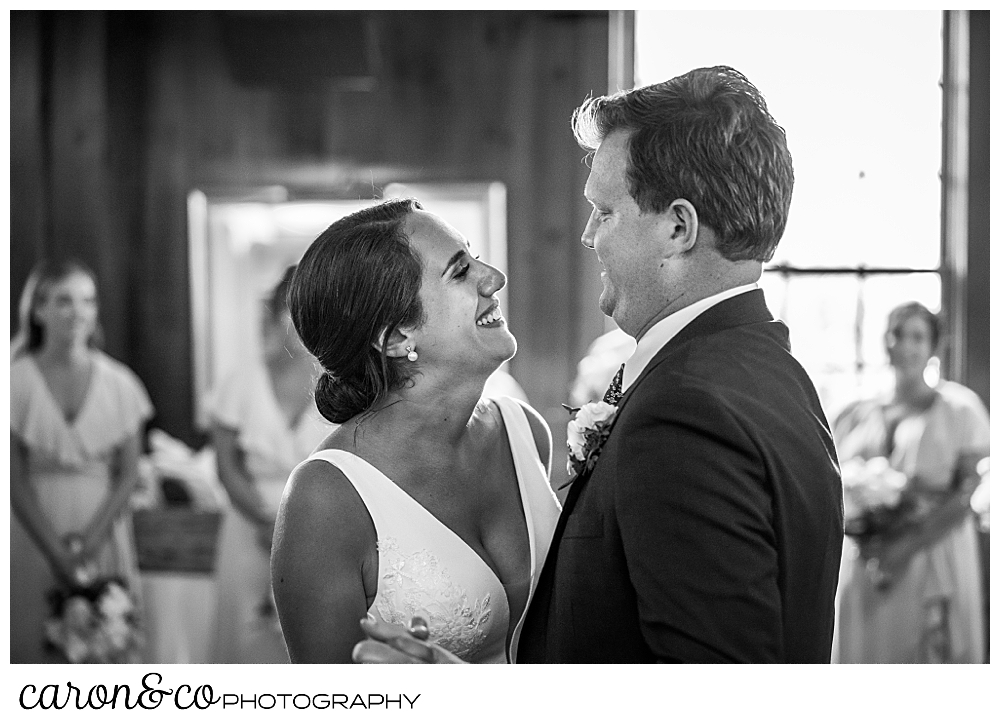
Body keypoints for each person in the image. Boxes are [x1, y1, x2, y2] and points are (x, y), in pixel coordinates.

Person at [357, 65, 844, 664]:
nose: (588, 236)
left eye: (606, 212)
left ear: (677, 227)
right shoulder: (769, 371)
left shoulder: (686, 413)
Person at [270, 198, 561, 663]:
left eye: (475, 256)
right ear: (396, 336)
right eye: (460, 272)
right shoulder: (327, 498)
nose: (495, 278)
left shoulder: (524, 432)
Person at [10, 258, 154, 663]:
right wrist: (56, 552)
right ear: (38, 310)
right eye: (64, 301)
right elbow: (13, 479)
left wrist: (90, 542)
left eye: (87, 301)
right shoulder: (14, 381)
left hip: (102, 526)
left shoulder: (121, 384)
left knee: (103, 649)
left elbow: (128, 473)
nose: (78, 313)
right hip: (33, 528)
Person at [832, 302, 990, 663]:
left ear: (934, 346)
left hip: (933, 556)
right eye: (897, 334)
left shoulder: (960, 409)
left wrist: (905, 546)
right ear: (885, 343)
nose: (905, 345)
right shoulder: (854, 414)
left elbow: (968, 492)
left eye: (917, 336)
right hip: (866, 560)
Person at [207, 265, 333, 664]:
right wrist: (265, 522)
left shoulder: (343, 387)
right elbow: (226, 465)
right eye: (294, 310)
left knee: (311, 638)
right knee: (247, 639)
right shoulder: (240, 381)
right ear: (278, 314)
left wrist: (298, 530)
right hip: (248, 526)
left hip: (321, 531)